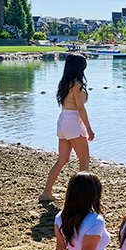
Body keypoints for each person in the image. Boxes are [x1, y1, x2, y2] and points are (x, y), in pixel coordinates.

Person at [40, 53, 94, 201]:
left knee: (62, 159)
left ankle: (46, 192)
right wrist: (89, 128)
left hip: (63, 119)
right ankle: (82, 197)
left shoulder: (64, 82)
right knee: (84, 160)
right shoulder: (76, 84)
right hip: (73, 121)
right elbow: (80, 108)